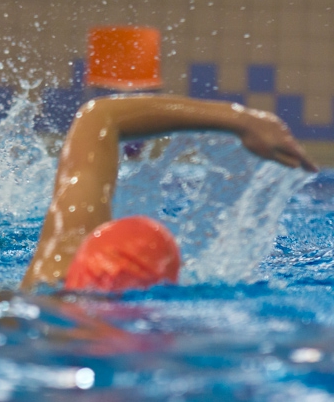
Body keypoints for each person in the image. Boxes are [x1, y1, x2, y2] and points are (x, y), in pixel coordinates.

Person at [19, 94, 317, 292]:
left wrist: (243, 120)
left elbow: (98, 117)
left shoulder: (49, 277)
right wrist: (245, 119)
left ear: (83, 260)